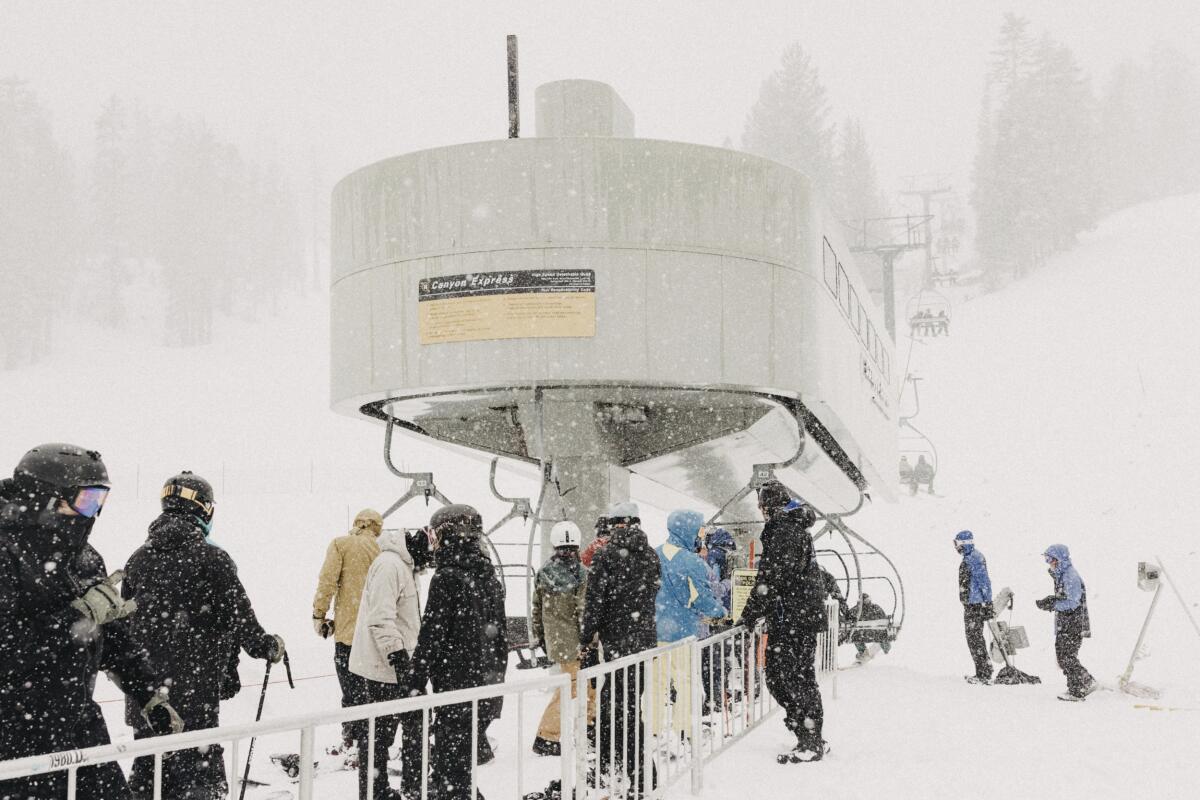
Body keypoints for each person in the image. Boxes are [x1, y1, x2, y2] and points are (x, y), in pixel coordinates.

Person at [0, 444, 180, 800]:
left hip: (78, 725)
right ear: (46, 496)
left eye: (100, 501)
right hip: (14, 735)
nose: (93, 513)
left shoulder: (82, 558)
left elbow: (108, 635)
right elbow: (8, 649)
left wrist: (148, 694)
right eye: (84, 500)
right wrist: (77, 616)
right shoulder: (7, 554)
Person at [122, 471, 285, 800]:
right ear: (203, 510)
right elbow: (240, 618)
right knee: (200, 778)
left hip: (147, 695)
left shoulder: (138, 559)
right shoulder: (212, 559)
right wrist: (268, 646)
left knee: (149, 772)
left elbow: (124, 626)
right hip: (193, 696)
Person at [408, 504, 507, 800]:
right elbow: (499, 635)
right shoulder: (488, 575)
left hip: (456, 685)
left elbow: (432, 634)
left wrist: (415, 678)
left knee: (452, 767)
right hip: (485, 683)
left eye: (436, 535)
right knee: (458, 764)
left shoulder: (447, 578)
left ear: (448, 535)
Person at [736, 482, 828, 764]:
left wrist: (750, 614)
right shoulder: (795, 528)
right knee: (800, 677)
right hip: (801, 617)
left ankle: (808, 737)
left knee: (781, 678)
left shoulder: (783, 531)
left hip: (792, 618)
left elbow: (772, 579)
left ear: (766, 507)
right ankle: (809, 735)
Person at [579, 502, 661, 794]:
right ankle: (609, 764)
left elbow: (595, 603)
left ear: (614, 524)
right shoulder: (651, 555)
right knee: (622, 704)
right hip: (643, 642)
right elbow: (651, 593)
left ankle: (640, 775)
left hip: (617, 643)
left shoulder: (606, 556)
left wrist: (586, 637)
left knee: (616, 707)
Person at [349, 527, 434, 799]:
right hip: (382, 669)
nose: (426, 568)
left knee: (416, 728)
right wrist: (399, 657)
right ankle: (376, 791)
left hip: (400, 667)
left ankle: (412, 786)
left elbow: (405, 619)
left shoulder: (405, 566)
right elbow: (380, 618)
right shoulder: (389, 565)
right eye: (427, 561)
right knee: (378, 738)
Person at [313, 508, 384, 748]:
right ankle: (372, 741)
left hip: (347, 634)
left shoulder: (340, 545)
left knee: (350, 692)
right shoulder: (383, 550)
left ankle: (351, 739)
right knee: (372, 691)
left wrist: (319, 615)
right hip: (375, 636)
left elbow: (327, 582)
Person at [653, 510, 727, 736]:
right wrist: (720, 611)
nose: (700, 536)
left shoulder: (654, 554)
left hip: (655, 631)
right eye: (699, 530)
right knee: (685, 682)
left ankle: (653, 728)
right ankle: (682, 727)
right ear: (688, 530)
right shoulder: (692, 562)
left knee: (656, 683)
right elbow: (702, 598)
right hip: (683, 632)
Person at [530, 521, 594, 757]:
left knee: (580, 685)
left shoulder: (544, 572)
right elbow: (582, 611)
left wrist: (541, 636)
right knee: (576, 687)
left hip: (555, 639)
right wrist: (589, 641)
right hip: (576, 641)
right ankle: (547, 735)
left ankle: (589, 725)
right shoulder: (581, 574)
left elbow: (536, 608)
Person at [1036, 544, 1096, 701]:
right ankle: (1080, 684)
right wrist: (1052, 601)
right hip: (1066, 622)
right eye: (1046, 559)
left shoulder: (1070, 576)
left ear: (1060, 559)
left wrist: (1053, 604)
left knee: (1066, 656)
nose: (1048, 563)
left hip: (1073, 623)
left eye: (1050, 559)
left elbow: (1073, 602)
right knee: (1064, 656)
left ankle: (1081, 686)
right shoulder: (1063, 575)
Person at [954, 530, 994, 685]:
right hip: (971, 604)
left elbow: (984, 582)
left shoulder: (975, 559)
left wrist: (987, 603)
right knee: (974, 638)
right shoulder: (969, 558)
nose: (956, 548)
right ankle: (984, 669)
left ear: (964, 544)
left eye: (957, 544)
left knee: (974, 638)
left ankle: (983, 672)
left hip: (976, 605)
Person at [849, 593, 892, 664]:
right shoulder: (876, 608)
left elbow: (848, 618)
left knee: (855, 635)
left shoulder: (855, 610)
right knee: (883, 632)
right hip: (877, 634)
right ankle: (886, 648)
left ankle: (863, 652)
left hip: (861, 635)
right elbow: (884, 618)